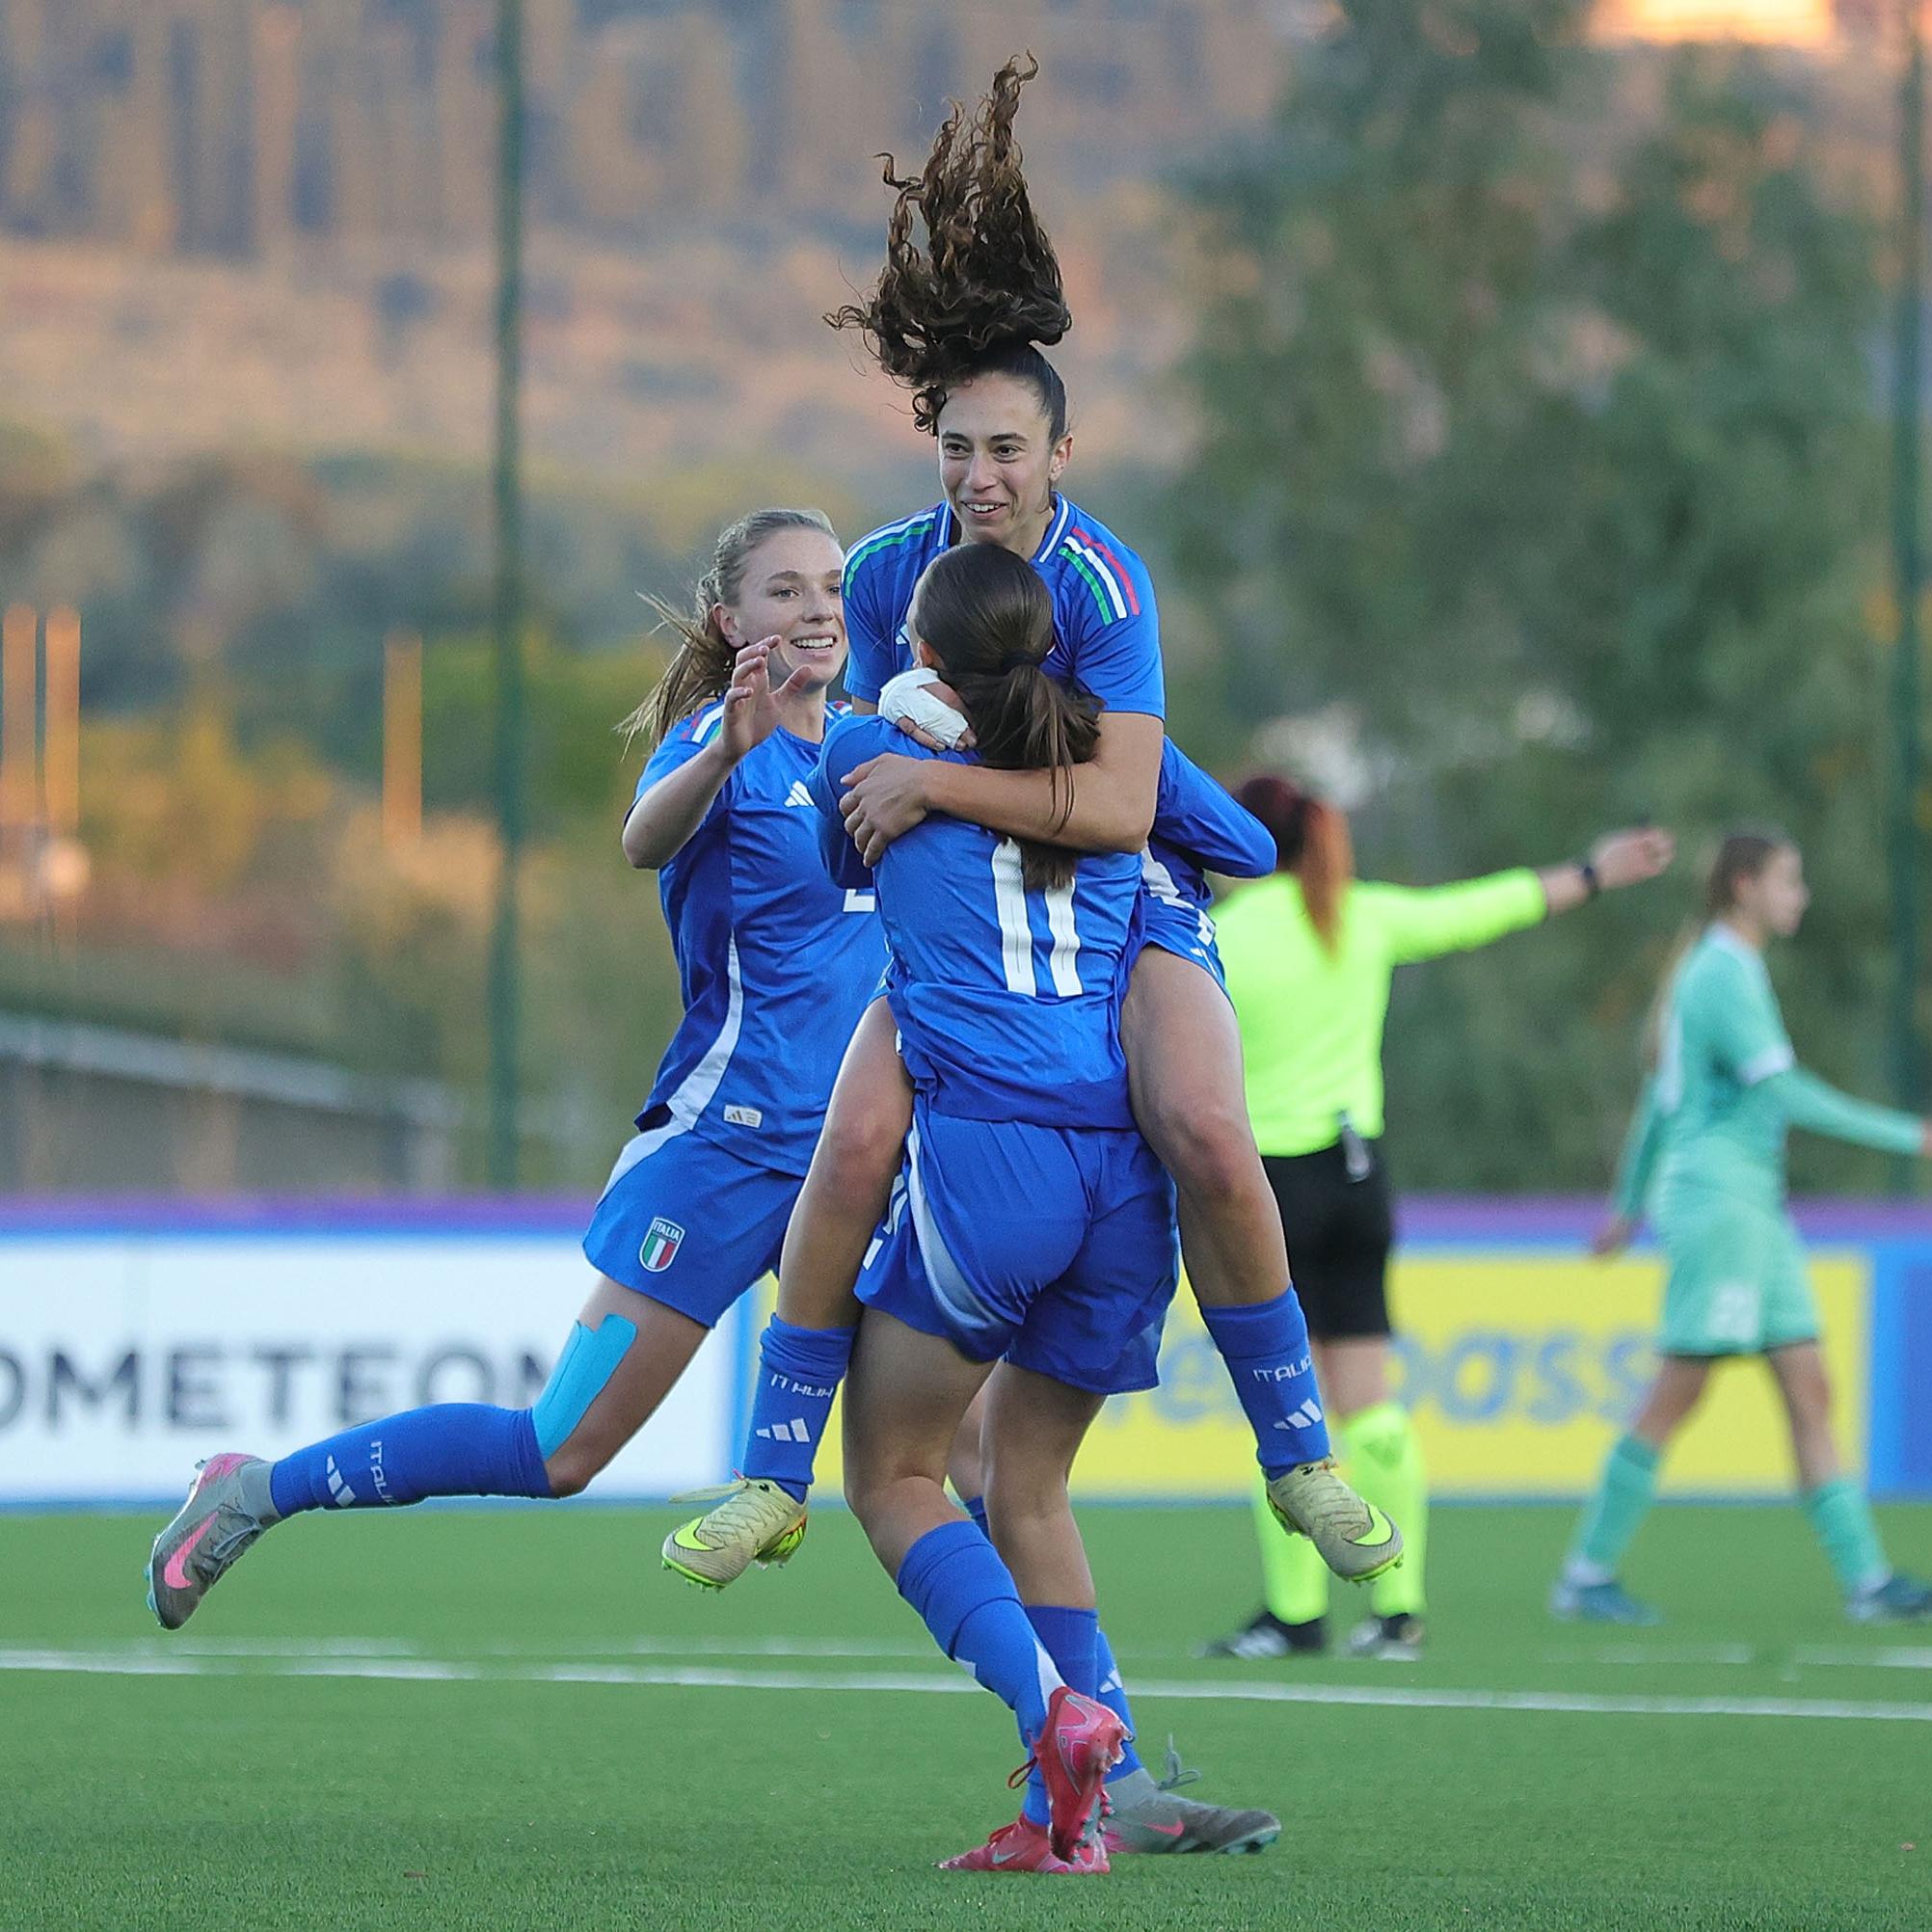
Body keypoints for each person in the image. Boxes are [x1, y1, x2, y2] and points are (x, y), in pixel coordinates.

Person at [674, 55, 1398, 1602]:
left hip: (1130, 898)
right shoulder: (883, 574)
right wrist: (889, 789)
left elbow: (1129, 809)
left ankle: (1298, 1456)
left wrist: (931, 783)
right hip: (974, 920)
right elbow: (873, 772)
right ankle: (764, 1481)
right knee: (854, 1143)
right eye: (954, 447)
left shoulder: (1107, 582)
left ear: (1062, 456)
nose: (978, 475)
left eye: (1007, 449)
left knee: (1210, 1127)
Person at [145, 509, 883, 1626]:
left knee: (955, 1455)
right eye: (786, 591)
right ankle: (254, 1492)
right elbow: (643, 837)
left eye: (830, 585)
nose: (818, 607)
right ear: (733, 619)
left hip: (859, 1154)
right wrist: (728, 747)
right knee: (559, 1450)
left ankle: (1078, 1735)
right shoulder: (717, 745)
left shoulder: (877, 749)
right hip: (725, 1153)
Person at [820, 540, 1192, 1873]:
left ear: (919, 653)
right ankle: (1066, 1819)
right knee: (1023, 1480)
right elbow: (1240, 838)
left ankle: (1058, 1714)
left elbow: (830, 863)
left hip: (999, 1166)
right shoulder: (1102, 795)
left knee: (894, 1476)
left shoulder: (874, 753)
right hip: (1125, 1178)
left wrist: (904, 746)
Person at [1200, 778, 1674, 1662]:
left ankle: (1295, 1616)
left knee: (1281, 1410)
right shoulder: (1359, 916)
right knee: (1369, 1409)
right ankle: (1398, 1611)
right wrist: (1592, 872)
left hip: (1266, 1190)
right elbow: (1483, 909)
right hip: (1357, 1179)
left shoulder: (1221, 934)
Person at [1553, 828, 1932, 1626]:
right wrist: (1910, 1135)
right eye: (1789, 880)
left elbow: (1659, 1104)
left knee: (1810, 1386)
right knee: (1678, 1393)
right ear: (1744, 887)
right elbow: (1784, 1093)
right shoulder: (1721, 973)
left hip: (1756, 1208)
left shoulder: (1723, 968)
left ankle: (1866, 1581)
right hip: (1719, 1206)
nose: (1800, 895)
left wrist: (1626, 1208)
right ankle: (1587, 1573)